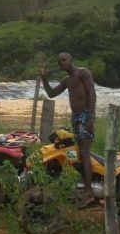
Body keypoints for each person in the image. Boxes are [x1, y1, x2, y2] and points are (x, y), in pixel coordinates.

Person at [39, 53, 97, 208]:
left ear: (71, 60)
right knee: (78, 152)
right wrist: (44, 78)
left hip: (85, 115)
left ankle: (89, 193)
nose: (62, 63)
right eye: (59, 61)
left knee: (84, 152)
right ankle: (84, 188)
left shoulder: (82, 73)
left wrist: (90, 117)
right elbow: (51, 93)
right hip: (75, 117)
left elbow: (92, 93)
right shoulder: (67, 80)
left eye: (64, 60)